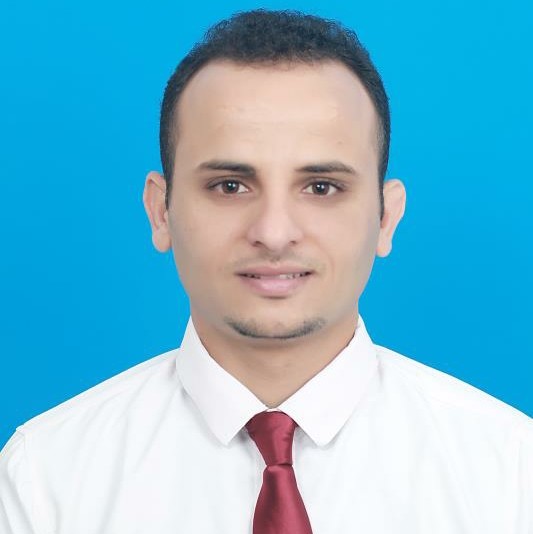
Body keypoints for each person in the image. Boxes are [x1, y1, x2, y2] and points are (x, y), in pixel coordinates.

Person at [0, 8, 531, 534]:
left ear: (385, 218)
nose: (274, 233)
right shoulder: (43, 479)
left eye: (321, 187)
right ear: (161, 211)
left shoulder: (510, 475)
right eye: (230, 186)